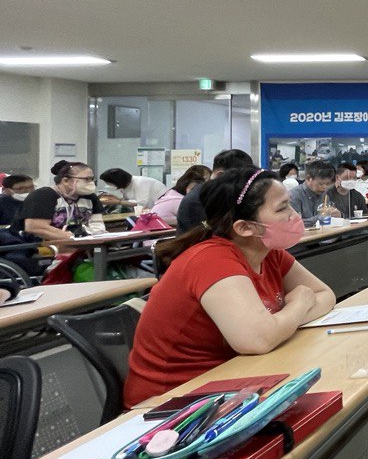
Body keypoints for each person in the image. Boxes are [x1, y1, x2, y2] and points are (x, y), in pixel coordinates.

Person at [123, 168, 337, 407]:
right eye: (282, 208)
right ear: (244, 227)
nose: (293, 215)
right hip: (171, 404)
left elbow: (326, 295)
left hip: (230, 382)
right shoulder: (212, 259)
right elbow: (259, 340)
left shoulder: (268, 253)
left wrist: (281, 323)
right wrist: (299, 302)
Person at [22, 161, 106, 241]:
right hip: (35, 246)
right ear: (65, 181)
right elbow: (35, 228)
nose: (91, 183)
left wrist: (94, 235)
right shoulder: (43, 196)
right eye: (87, 179)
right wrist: (70, 237)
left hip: (79, 243)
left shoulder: (90, 197)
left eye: (92, 179)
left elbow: (97, 225)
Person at [177, 149, 254, 232]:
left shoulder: (222, 193)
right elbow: (210, 232)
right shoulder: (198, 199)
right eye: (237, 178)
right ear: (220, 175)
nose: (241, 184)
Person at [98, 168, 167, 210]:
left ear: (117, 181)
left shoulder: (140, 183)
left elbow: (142, 204)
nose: (108, 186)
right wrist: (116, 199)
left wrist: (118, 202)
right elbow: (129, 201)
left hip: (160, 210)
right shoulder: (126, 186)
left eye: (109, 183)